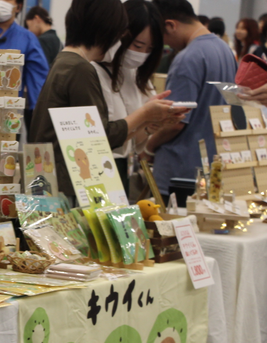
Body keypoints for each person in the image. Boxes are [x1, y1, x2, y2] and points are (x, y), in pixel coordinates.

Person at [29, 0, 183, 204]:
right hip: (64, 186)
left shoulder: (67, 61)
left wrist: (146, 121)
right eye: (120, 36)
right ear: (106, 31)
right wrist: (144, 115)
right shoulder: (81, 69)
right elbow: (98, 139)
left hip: (50, 179)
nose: (119, 43)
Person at [143, 0, 237, 200]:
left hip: (179, 172)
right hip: (212, 168)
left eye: (163, 37)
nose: (165, 44)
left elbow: (176, 121)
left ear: (170, 25)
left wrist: (149, 147)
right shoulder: (225, 50)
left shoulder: (188, 57)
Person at [92, 0, 165, 197]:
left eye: (150, 49)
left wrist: (151, 125)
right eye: (138, 45)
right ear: (121, 34)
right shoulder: (93, 72)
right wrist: (144, 115)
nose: (141, 54)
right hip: (94, 171)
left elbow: (131, 142)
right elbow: (100, 137)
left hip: (123, 169)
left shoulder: (137, 77)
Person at [0, 0, 49, 133]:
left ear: (18, 7)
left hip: (8, 115)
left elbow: (38, 81)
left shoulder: (27, 39)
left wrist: (39, 115)